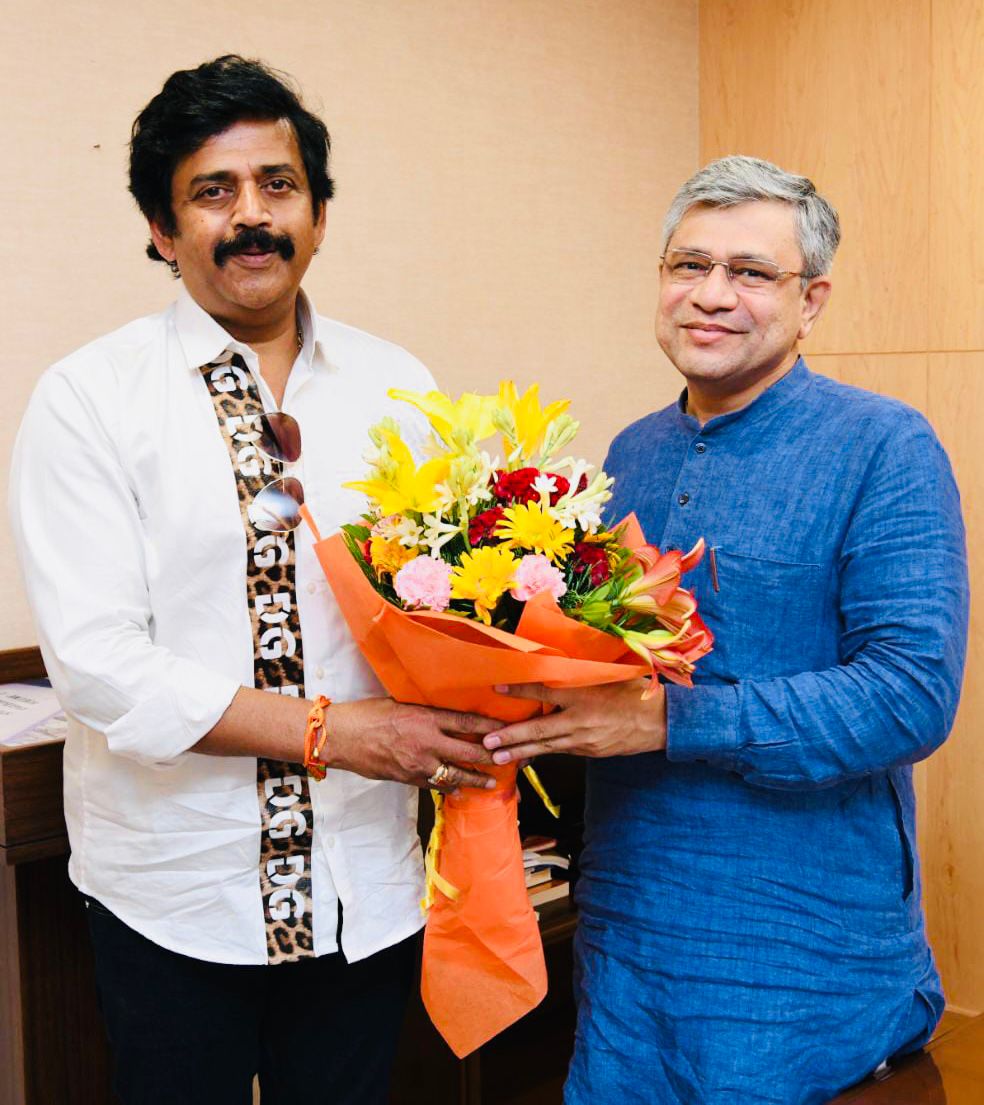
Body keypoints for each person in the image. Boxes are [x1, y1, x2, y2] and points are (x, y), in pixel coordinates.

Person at [8, 55, 498, 1105]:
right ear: (161, 228)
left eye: (278, 185)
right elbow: (98, 665)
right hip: (174, 895)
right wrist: (333, 732)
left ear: (319, 215)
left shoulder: (399, 386)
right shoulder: (90, 398)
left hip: (366, 885)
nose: (251, 217)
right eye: (212, 191)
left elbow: (447, 596)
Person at [482, 156, 969, 1103]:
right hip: (626, 933)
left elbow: (911, 694)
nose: (711, 295)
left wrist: (669, 719)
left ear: (811, 300)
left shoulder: (885, 444)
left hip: (800, 949)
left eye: (750, 272)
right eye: (688, 265)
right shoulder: (630, 451)